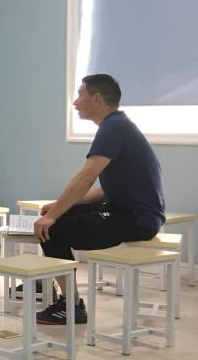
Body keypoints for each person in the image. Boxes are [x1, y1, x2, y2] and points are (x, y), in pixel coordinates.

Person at [33, 74, 164, 325]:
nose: (75, 101)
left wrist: (54, 214)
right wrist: (60, 207)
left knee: (53, 229)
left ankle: (71, 306)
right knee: (58, 217)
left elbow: (86, 177)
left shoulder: (113, 128)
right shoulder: (117, 125)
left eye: (80, 95)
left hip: (138, 220)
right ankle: (46, 281)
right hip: (126, 210)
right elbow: (105, 190)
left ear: (96, 99)